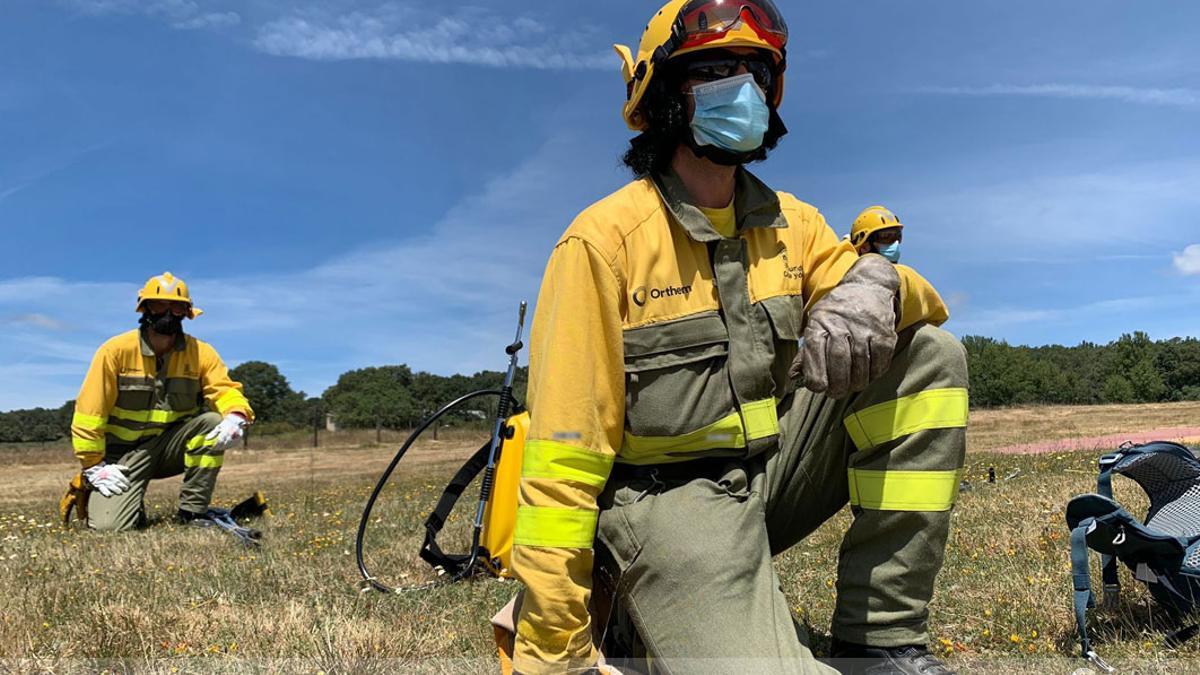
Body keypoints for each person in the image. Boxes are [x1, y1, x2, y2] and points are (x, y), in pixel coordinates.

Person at [509, 2, 967, 673]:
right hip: (665, 504)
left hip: (766, 476)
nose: (745, 88)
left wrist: (874, 280)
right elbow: (561, 469)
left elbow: (919, 309)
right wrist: (553, 652)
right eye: (718, 69)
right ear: (663, 91)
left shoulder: (794, 225)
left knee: (928, 355)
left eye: (758, 70)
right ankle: (636, 609)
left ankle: (880, 641)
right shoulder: (603, 243)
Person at [60, 272, 254, 532]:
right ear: (145, 308)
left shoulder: (201, 352)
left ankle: (192, 513)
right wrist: (93, 465)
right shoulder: (115, 351)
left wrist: (236, 415)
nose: (168, 313)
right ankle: (91, 485)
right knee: (109, 527)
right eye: (159, 305)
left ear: (187, 312)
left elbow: (224, 389)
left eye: (176, 306)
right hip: (121, 456)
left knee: (212, 423)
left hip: (168, 448)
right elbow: (89, 413)